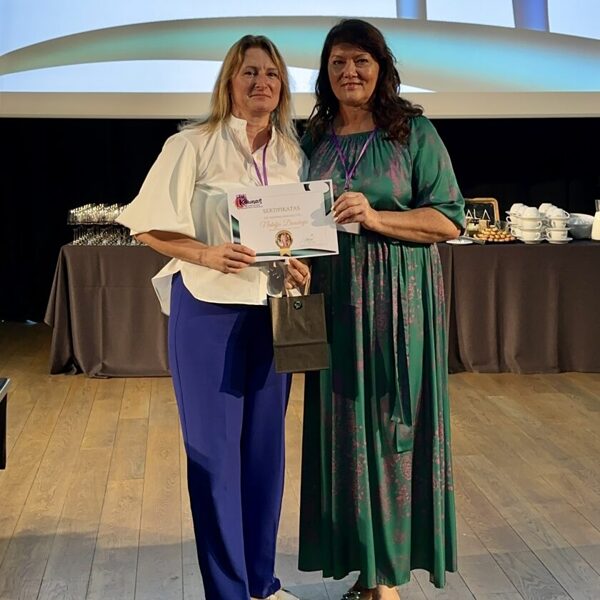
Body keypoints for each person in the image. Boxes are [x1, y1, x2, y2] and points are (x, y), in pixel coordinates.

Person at [117, 35, 305, 600]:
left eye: (271, 74)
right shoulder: (191, 144)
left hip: (274, 311)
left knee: (265, 456)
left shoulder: (293, 153)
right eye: (250, 72)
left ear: (282, 86)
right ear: (229, 81)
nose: (261, 83)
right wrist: (206, 254)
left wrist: (302, 264)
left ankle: (262, 584)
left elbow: (296, 231)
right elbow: (146, 226)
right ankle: (228, 592)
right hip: (207, 311)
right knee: (216, 459)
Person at [287, 18, 465, 600]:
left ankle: (386, 576)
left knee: (392, 426)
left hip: (397, 300)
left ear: (381, 68)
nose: (350, 72)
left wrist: (375, 217)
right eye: (338, 61)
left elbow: (448, 219)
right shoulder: (314, 138)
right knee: (343, 429)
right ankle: (360, 561)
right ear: (325, 72)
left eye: (361, 60)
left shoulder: (412, 132)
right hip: (335, 300)